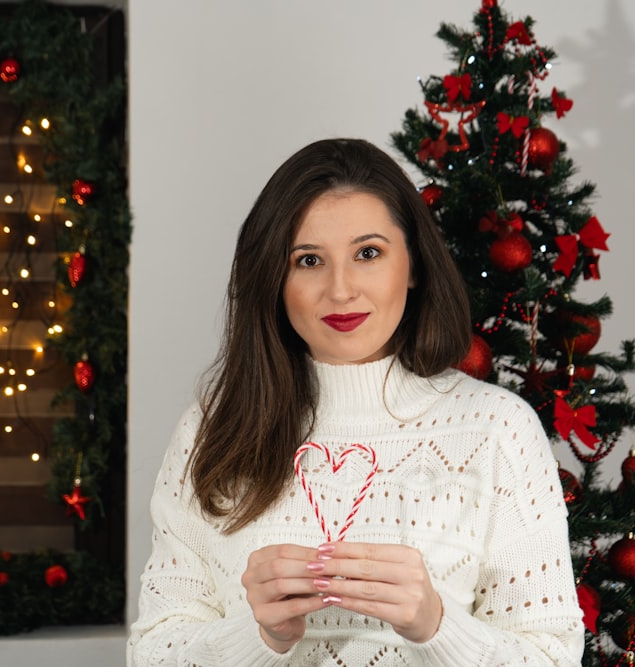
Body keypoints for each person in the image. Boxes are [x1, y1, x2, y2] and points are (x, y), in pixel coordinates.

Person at [128, 138, 585, 665]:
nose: (340, 290)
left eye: (368, 254)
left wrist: (436, 625)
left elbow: (552, 657)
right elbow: (152, 654)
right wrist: (261, 638)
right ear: (275, 280)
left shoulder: (496, 429)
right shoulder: (211, 430)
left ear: (412, 265)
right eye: (308, 260)